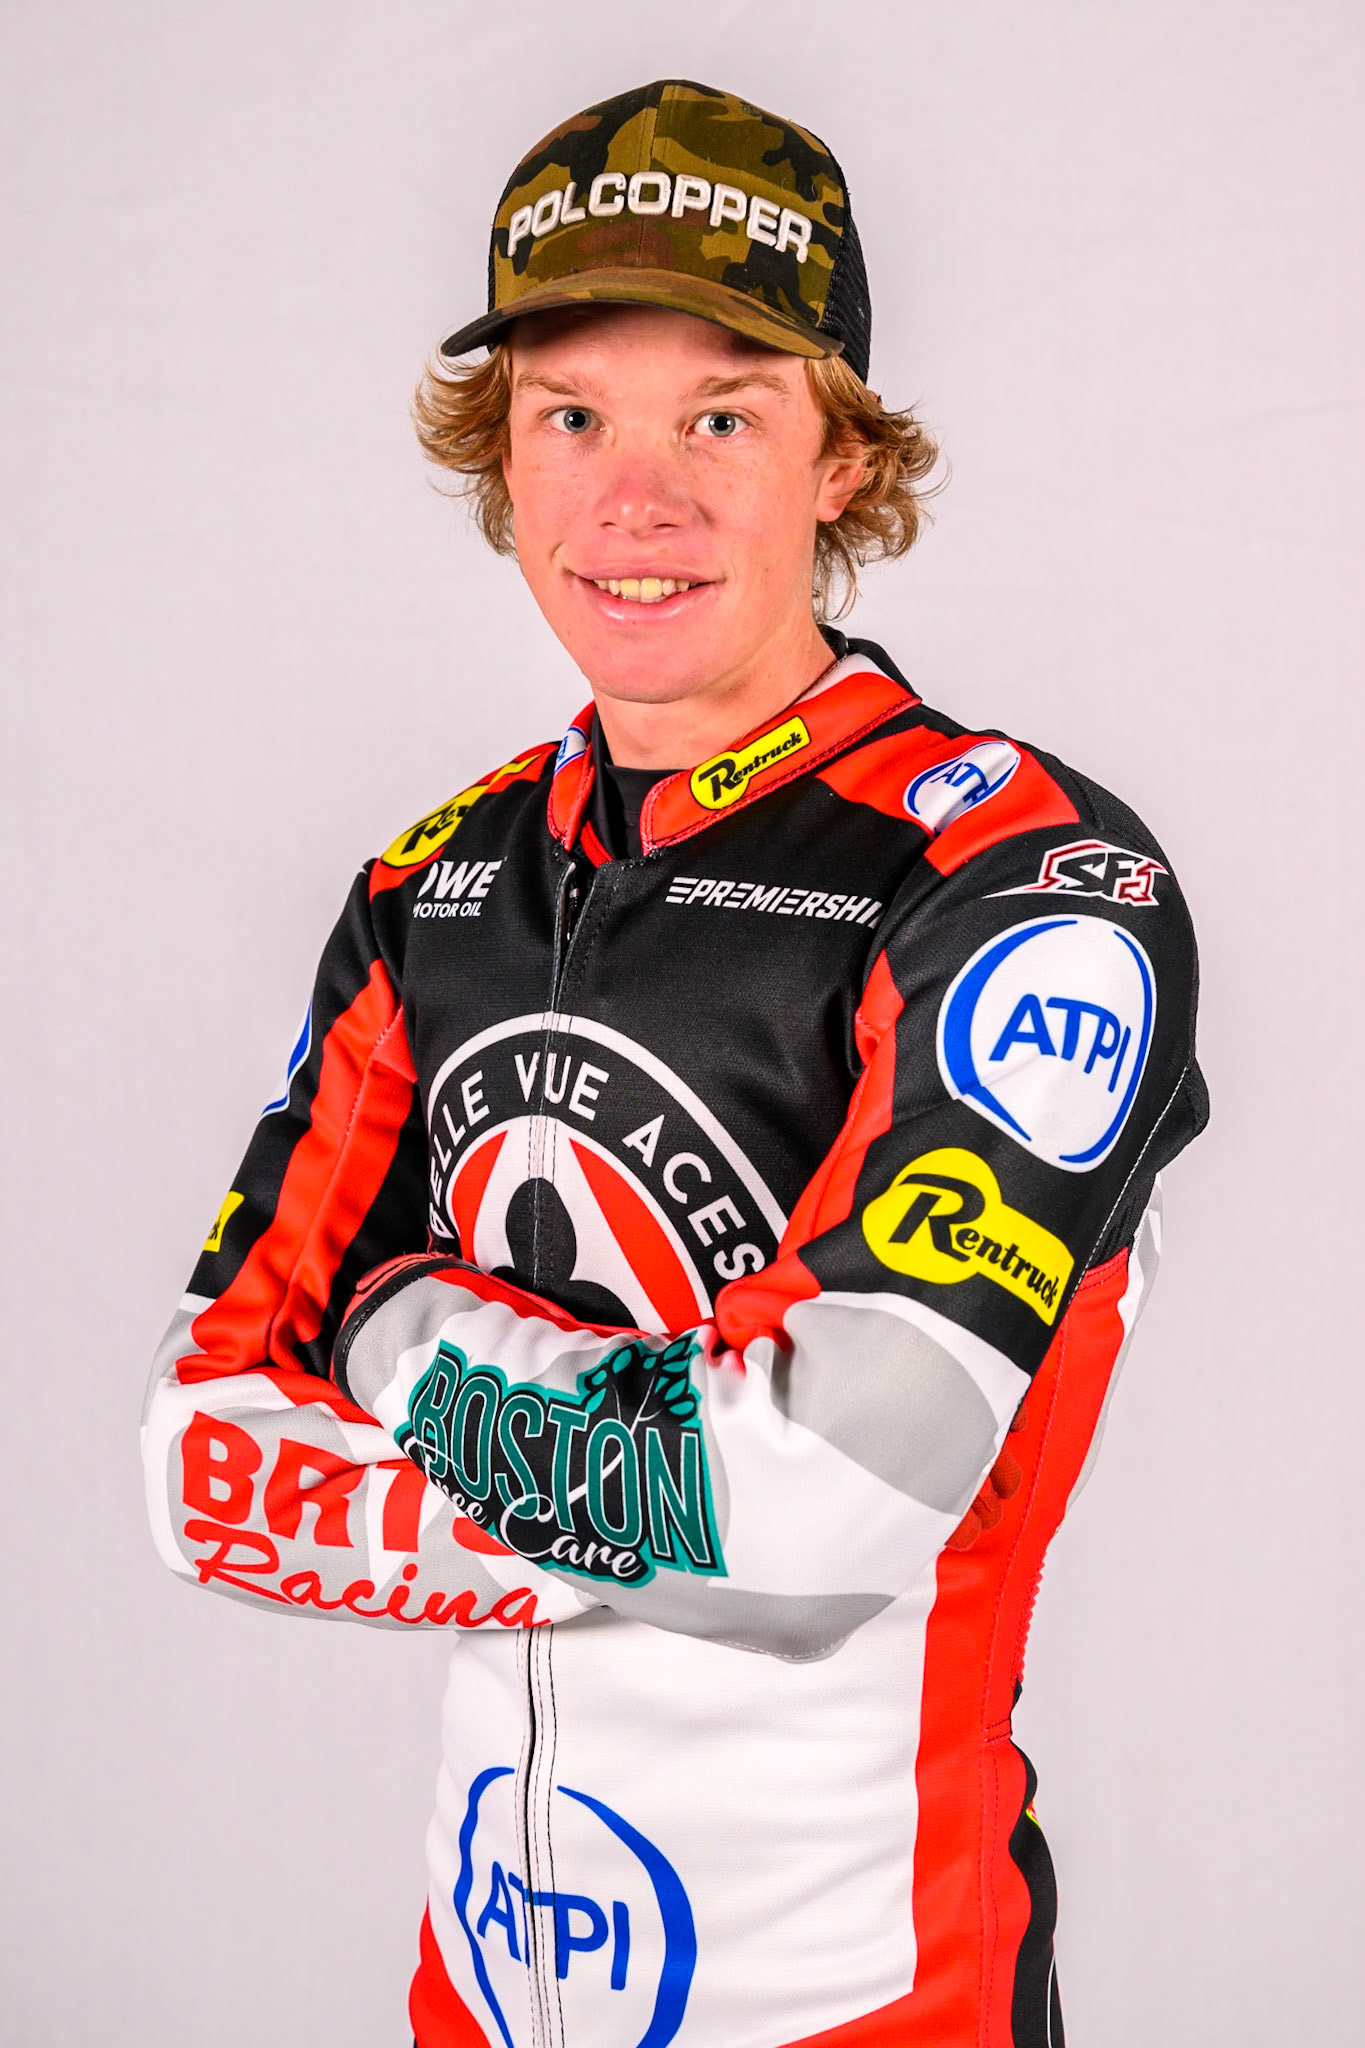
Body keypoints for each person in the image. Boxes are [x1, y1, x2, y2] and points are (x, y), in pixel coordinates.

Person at [143, 78, 1207, 2048]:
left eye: (721, 415)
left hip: (869, 2005)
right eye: (573, 418)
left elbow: (807, 1517)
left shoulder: (1018, 882)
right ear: (507, 459)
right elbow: (199, 1464)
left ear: (838, 460)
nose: (635, 502)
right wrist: (648, 1496)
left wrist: (389, 1335)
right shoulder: (430, 885)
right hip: (474, 1991)